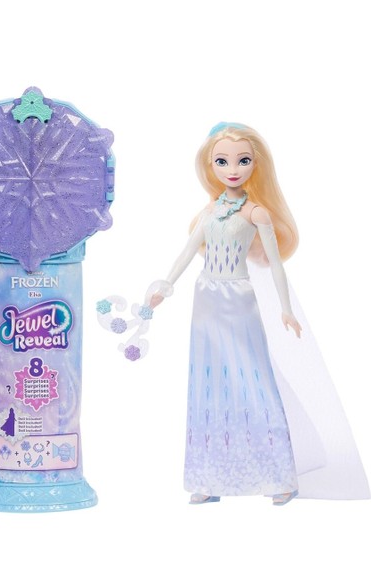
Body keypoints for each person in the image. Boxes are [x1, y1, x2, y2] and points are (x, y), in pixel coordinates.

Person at [148, 122, 369, 506]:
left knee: (254, 383)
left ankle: (278, 476)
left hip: (239, 299)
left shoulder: (257, 214)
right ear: (210, 165)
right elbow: (186, 253)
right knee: (208, 385)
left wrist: (286, 309)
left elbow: (277, 265)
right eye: (222, 161)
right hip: (206, 300)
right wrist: (164, 286)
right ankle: (209, 478)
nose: (232, 168)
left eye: (243, 160)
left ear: (256, 164)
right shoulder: (209, 211)